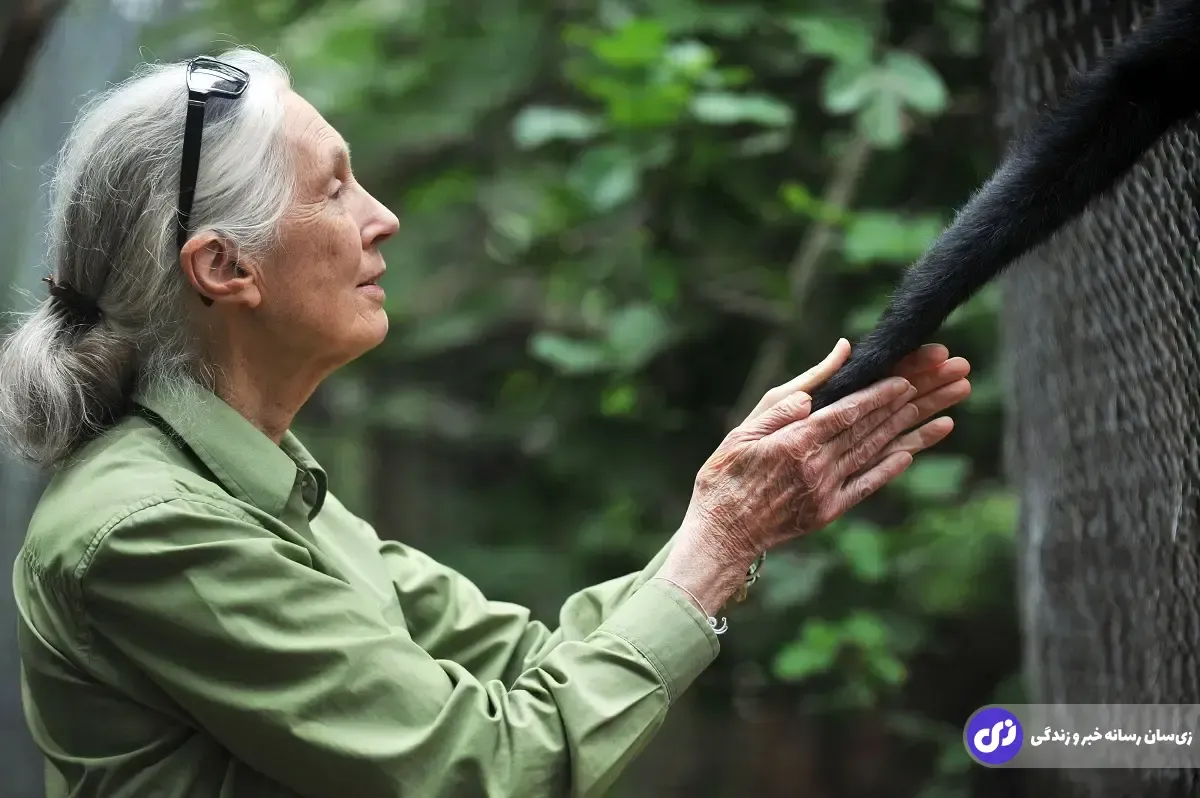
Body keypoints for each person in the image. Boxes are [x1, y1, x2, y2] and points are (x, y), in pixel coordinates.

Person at [0, 49, 972, 798]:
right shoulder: (151, 528)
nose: (382, 216)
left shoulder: (257, 477)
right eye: (334, 188)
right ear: (225, 268)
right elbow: (486, 769)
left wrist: (731, 519)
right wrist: (721, 538)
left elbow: (533, 666)